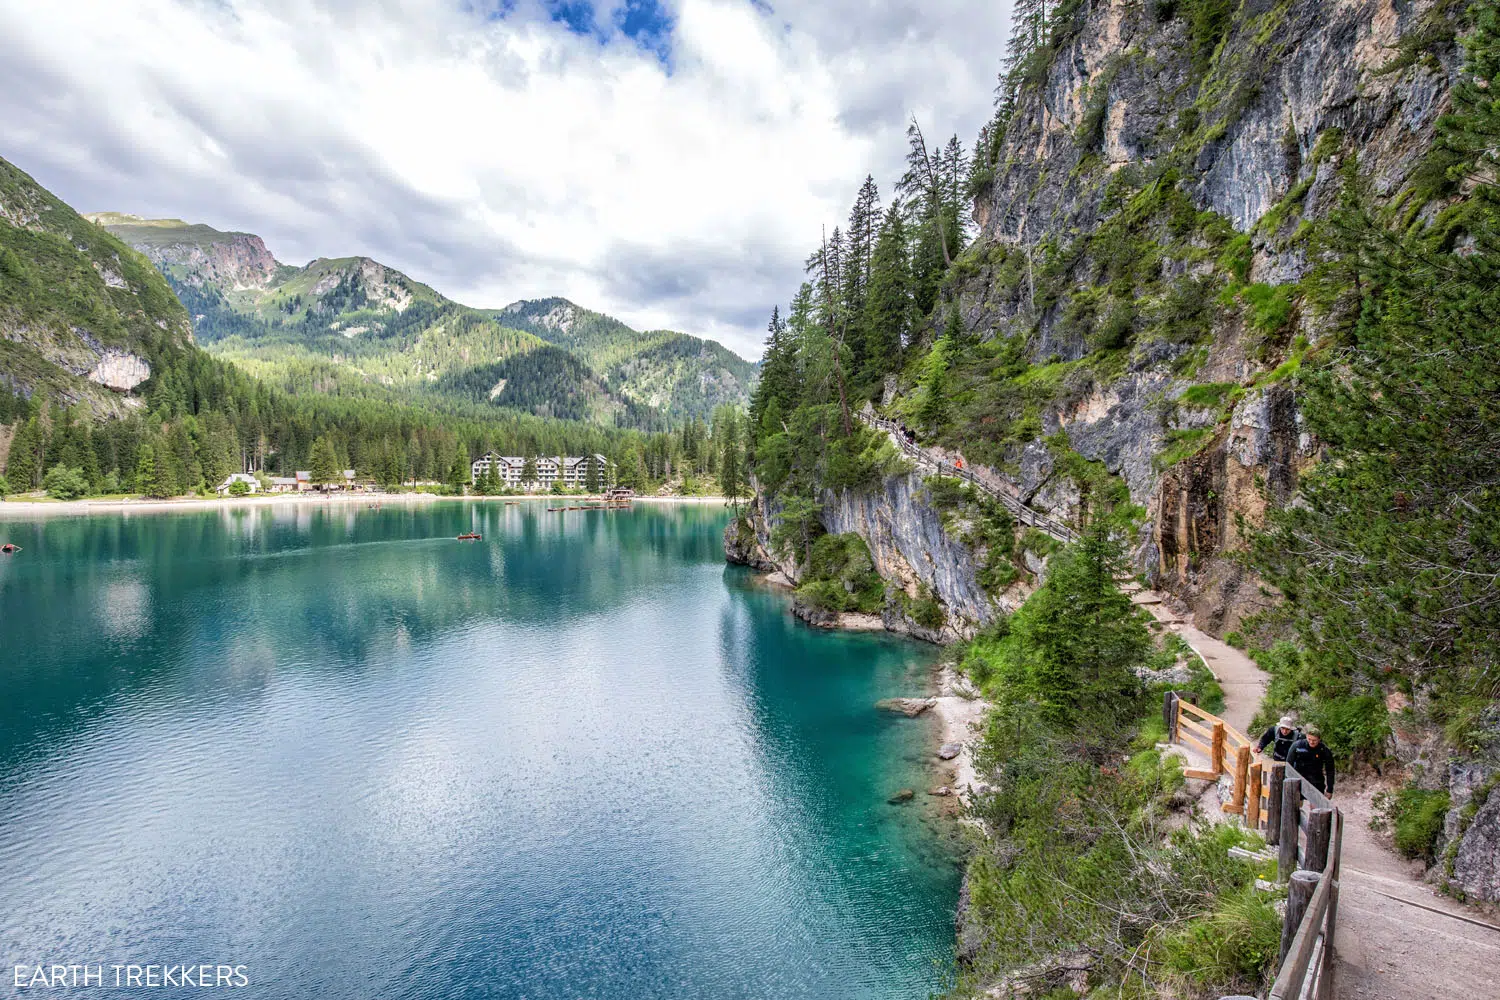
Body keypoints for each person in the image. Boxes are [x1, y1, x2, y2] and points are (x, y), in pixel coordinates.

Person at [1287, 725, 1335, 797]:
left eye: (1314, 740)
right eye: (1309, 739)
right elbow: (1288, 765)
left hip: (1316, 780)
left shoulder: (1324, 750)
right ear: (1306, 736)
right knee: (1296, 803)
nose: (1311, 742)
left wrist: (1329, 789)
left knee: (1316, 805)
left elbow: (1330, 770)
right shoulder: (1297, 746)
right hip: (1298, 779)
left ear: (1319, 739)